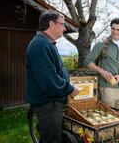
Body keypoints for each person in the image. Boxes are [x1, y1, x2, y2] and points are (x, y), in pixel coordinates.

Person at [26, 10, 79, 143]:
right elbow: (49, 80)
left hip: (52, 101)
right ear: (51, 24)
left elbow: (55, 71)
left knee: (52, 135)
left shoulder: (46, 43)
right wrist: (70, 89)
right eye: (62, 24)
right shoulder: (40, 45)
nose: (65, 28)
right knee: (52, 139)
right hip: (47, 103)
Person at [84, 17, 119, 112]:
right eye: (113, 28)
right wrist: (101, 71)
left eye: (118, 30)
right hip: (107, 88)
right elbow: (88, 61)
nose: (115, 32)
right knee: (109, 116)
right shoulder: (101, 44)